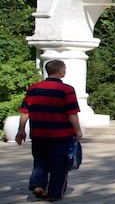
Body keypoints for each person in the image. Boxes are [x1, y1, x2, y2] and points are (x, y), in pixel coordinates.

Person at [15, 60, 84, 201]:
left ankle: (37, 184)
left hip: (39, 133)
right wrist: (78, 130)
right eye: (64, 69)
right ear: (60, 71)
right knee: (59, 164)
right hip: (60, 134)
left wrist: (21, 130)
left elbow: (25, 111)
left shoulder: (33, 88)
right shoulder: (67, 90)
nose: (65, 72)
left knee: (40, 161)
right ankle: (54, 193)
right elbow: (71, 113)